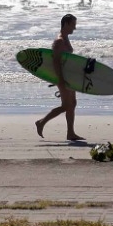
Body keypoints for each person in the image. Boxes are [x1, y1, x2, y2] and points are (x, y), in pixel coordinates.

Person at [35, 13, 84, 141]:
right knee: (66, 105)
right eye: (73, 25)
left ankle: (70, 133)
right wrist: (60, 80)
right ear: (66, 24)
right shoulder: (59, 41)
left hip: (68, 77)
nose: (74, 28)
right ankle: (41, 122)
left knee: (72, 104)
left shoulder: (65, 38)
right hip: (62, 77)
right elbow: (55, 62)